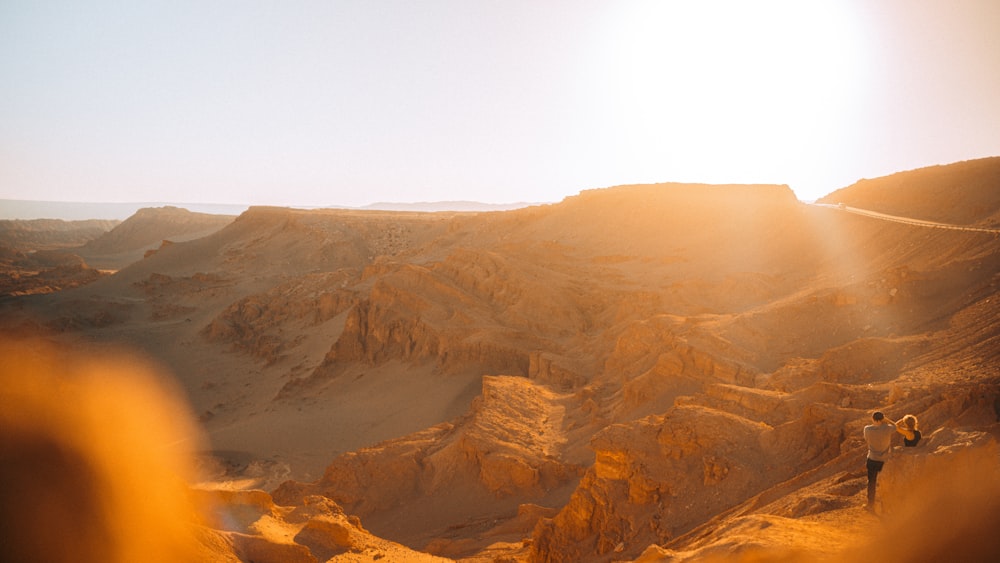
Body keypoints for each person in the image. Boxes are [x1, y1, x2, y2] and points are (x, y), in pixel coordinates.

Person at [863, 411, 897, 511]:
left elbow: (866, 440)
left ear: (873, 419)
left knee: (871, 482)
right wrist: (887, 420)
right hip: (884, 461)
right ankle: (885, 506)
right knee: (884, 483)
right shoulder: (887, 428)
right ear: (882, 419)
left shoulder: (867, 429)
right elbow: (895, 426)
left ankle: (870, 505)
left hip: (872, 459)